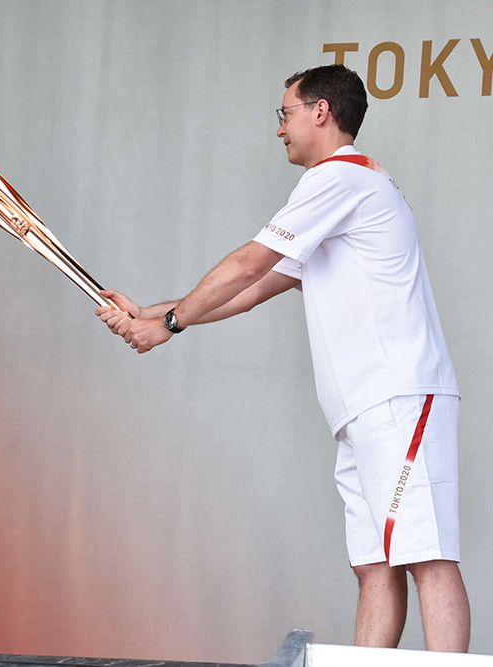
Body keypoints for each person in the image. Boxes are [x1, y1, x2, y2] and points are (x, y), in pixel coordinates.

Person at [97, 65, 468, 652]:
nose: (280, 130)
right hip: (361, 409)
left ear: (321, 112)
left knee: (428, 558)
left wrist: (171, 323)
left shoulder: (340, 179)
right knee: (374, 567)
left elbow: (247, 262)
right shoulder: (341, 194)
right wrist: (154, 313)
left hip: (398, 395)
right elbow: (252, 291)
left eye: (286, 114)